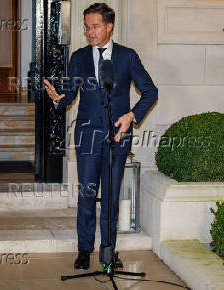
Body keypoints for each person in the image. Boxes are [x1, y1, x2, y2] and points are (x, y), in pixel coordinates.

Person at [44, 3, 158, 270]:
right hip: (87, 137)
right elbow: (70, 96)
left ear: (109, 26)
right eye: (86, 27)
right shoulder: (79, 57)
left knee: (110, 197)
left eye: (95, 26)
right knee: (86, 195)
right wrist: (59, 99)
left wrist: (131, 115)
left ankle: (109, 250)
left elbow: (150, 91)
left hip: (117, 137)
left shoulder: (127, 57)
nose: (90, 32)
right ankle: (84, 249)